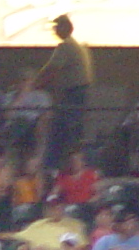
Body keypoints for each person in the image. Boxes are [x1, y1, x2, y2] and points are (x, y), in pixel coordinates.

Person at [31, 14, 93, 165]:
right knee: (73, 130)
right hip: (79, 94)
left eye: (57, 26)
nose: (54, 30)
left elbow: (52, 69)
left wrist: (34, 85)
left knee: (59, 129)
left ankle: (52, 164)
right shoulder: (79, 46)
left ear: (65, 28)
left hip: (73, 94)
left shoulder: (65, 46)